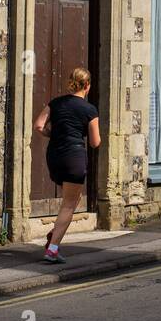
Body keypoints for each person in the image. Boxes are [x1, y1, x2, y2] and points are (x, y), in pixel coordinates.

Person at [33, 67, 100, 263]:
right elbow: (95, 142)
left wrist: (52, 134)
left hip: (54, 156)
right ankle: (52, 249)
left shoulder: (56, 103)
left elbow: (38, 125)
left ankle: (55, 233)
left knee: (71, 199)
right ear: (87, 86)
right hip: (74, 157)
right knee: (69, 205)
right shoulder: (89, 109)